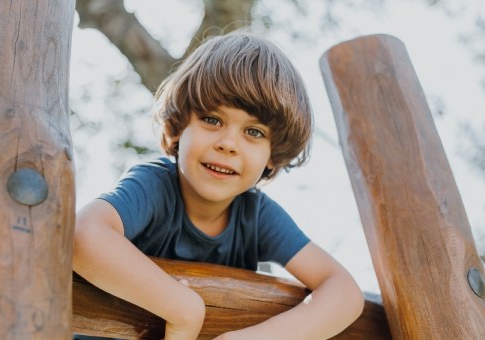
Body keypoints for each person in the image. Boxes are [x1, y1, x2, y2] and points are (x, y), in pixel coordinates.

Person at [73, 30, 364, 340]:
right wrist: (183, 309)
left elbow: (344, 291)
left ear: (272, 156)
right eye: (212, 120)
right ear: (178, 128)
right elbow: (83, 235)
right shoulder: (154, 186)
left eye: (253, 132)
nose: (228, 144)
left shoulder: (257, 216)